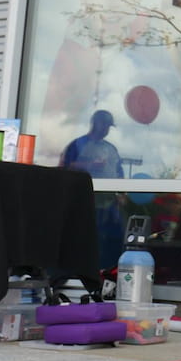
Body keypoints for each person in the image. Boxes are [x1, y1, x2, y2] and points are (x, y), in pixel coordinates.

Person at [60, 109, 125, 272]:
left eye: (109, 126)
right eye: (104, 125)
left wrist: (122, 193)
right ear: (95, 123)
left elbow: (119, 173)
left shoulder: (111, 149)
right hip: (85, 202)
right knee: (86, 240)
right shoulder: (78, 144)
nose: (106, 129)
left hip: (109, 205)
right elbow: (66, 167)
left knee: (112, 240)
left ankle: (107, 274)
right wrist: (90, 166)